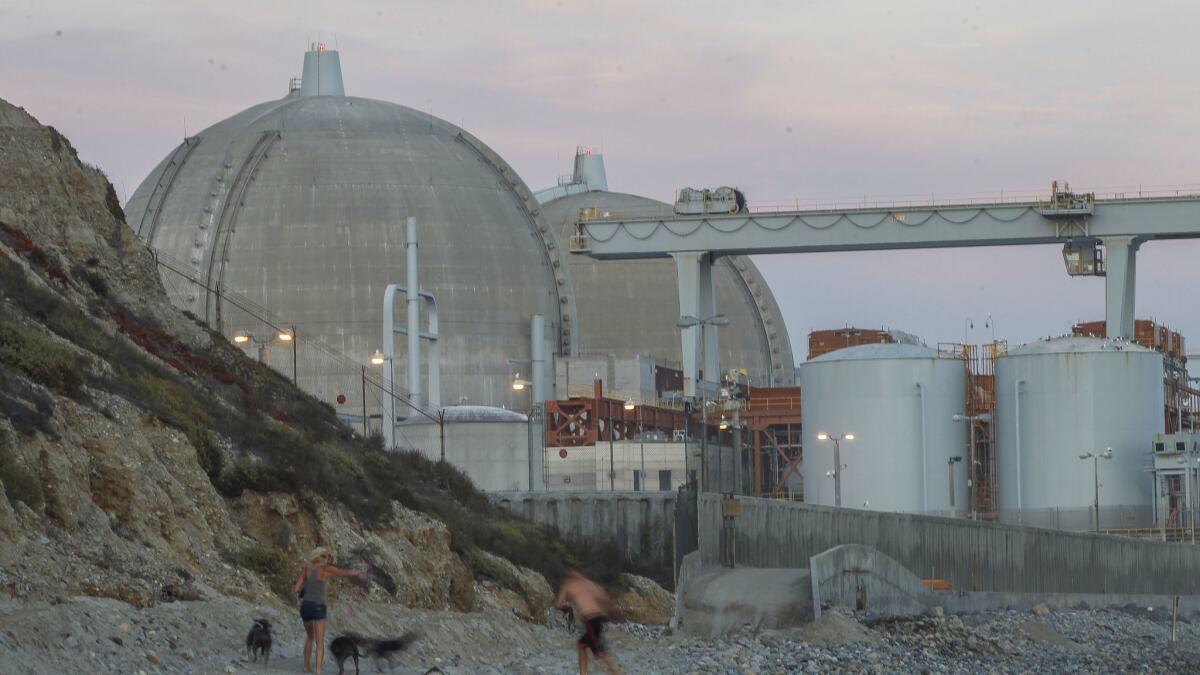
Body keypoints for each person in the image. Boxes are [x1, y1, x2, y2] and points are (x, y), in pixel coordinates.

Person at [293, 546, 366, 674]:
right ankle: (318, 671)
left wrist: (308, 587)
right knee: (320, 642)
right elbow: (344, 572)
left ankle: (306, 666)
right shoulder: (326, 570)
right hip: (318, 606)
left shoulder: (305, 570)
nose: (328, 559)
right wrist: (360, 572)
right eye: (326, 556)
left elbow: (296, 589)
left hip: (306, 606)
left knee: (310, 637)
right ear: (320, 557)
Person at [553, 569, 623, 675]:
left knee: (602, 653)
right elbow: (604, 599)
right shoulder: (589, 584)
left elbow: (558, 604)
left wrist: (567, 608)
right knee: (581, 645)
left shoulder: (568, 585)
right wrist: (607, 614)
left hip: (590, 620)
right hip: (598, 618)